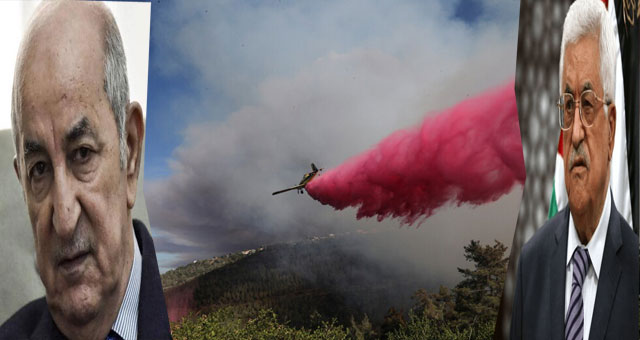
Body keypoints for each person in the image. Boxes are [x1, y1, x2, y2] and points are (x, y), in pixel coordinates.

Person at [0, 1, 171, 339]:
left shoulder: (210, 316)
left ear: (131, 150)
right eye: (39, 171)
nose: (64, 220)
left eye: (82, 153)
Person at [510, 0, 638, 339]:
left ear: (612, 129)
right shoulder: (531, 264)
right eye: (568, 106)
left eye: (587, 104)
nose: (576, 131)